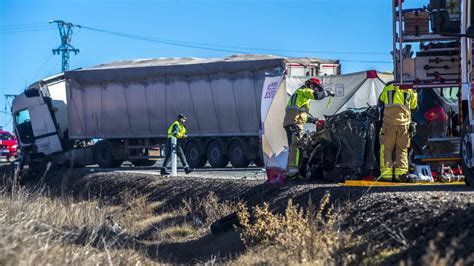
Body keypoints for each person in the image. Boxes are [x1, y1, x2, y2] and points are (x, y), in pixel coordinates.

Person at [283, 78, 335, 180]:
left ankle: (290, 173)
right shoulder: (305, 90)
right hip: (295, 125)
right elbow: (317, 96)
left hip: (291, 124)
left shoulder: (299, 95)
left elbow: (298, 114)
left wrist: (313, 120)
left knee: (293, 147)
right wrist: (328, 92)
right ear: (310, 85)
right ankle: (294, 174)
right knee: (297, 147)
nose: (315, 90)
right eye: (315, 87)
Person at [378, 82, 418, 181]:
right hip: (404, 125)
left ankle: (386, 176)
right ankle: (400, 175)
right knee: (402, 149)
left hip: (388, 123)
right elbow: (414, 106)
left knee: (386, 148)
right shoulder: (411, 89)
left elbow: (381, 101)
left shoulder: (388, 87)